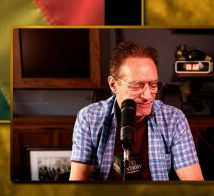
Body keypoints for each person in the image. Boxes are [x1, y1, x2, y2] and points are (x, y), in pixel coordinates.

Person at [69, 42, 204, 181]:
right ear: (113, 85)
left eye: (153, 85)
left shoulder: (174, 119)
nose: (147, 95)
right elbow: (78, 185)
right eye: (137, 86)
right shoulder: (88, 118)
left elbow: (195, 185)